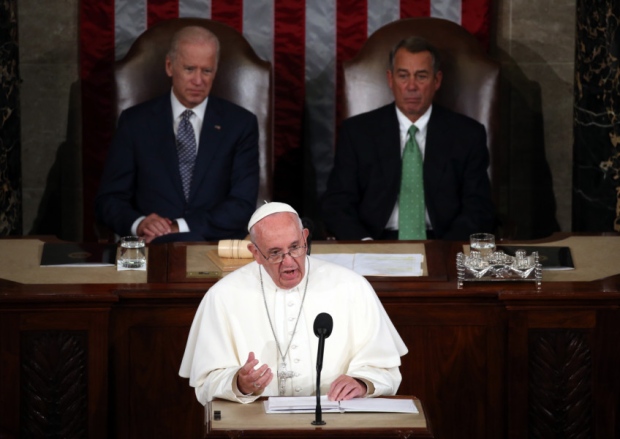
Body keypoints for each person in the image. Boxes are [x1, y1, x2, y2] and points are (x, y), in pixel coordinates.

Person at [179, 202, 408, 404]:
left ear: (305, 238)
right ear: (255, 253)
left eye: (295, 247)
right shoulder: (223, 296)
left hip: (335, 421)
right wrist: (239, 383)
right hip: (258, 426)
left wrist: (361, 382)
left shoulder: (351, 286)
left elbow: (385, 368)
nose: (288, 262)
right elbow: (205, 382)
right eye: (275, 253)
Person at [95, 26, 259, 243]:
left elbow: (242, 204)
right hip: (150, 247)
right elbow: (110, 200)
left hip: (214, 247)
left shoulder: (240, 124)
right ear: (169, 66)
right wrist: (139, 223)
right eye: (190, 69)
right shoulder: (135, 122)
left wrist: (178, 227)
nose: (198, 81)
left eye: (207, 71)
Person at [322, 36, 495, 241]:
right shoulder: (358, 132)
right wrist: (364, 245)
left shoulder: (467, 135)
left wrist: (446, 249)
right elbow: (337, 203)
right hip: (374, 242)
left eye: (421, 76)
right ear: (390, 79)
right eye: (403, 76)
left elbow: (478, 207)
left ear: (436, 80)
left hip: (442, 242)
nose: (411, 86)